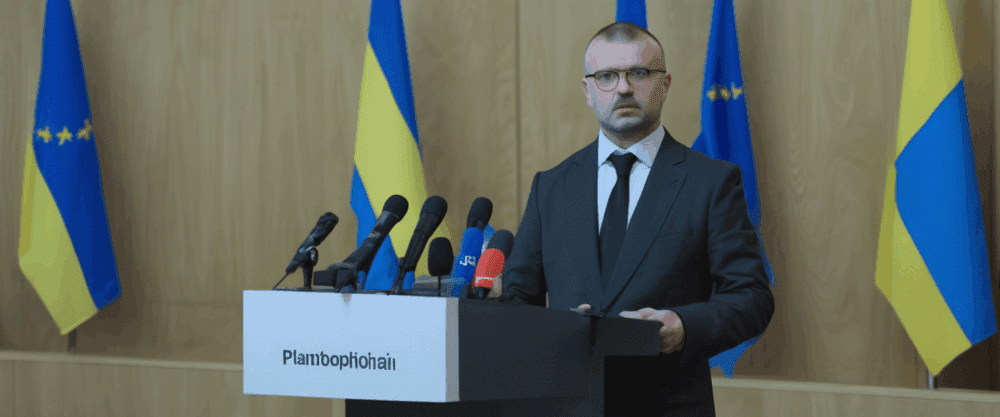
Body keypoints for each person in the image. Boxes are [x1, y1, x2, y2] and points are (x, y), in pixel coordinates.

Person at [500, 21, 774, 416]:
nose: (624, 88)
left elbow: (752, 298)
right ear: (588, 91)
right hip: (565, 404)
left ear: (664, 84)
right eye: (607, 77)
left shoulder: (711, 182)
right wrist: (551, 330)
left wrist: (682, 326)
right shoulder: (551, 186)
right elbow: (517, 300)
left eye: (639, 73)